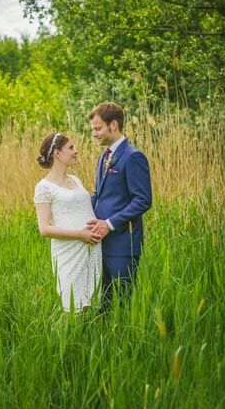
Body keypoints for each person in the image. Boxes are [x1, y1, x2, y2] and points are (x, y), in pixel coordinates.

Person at [87, 102, 152, 312]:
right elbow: (100, 195)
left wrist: (110, 224)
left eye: (98, 128)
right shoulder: (103, 157)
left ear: (113, 124)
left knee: (123, 303)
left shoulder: (133, 156)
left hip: (124, 244)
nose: (94, 134)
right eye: (93, 130)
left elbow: (143, 200)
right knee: (103, 303)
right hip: (100, 243)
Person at [34, 132, 105, 313]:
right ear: (57, 153)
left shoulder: (75, 179)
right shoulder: (44, 187)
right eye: (71, 148)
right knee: (73, 307)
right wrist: (80, 234)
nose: (76, 151)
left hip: (92, 248)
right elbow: (44, 229)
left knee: (93, 305)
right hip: (69, 251)